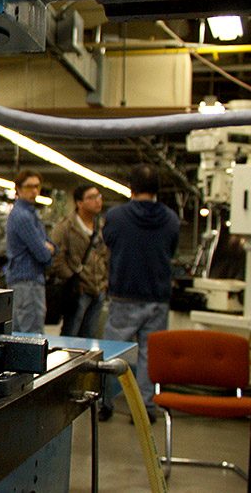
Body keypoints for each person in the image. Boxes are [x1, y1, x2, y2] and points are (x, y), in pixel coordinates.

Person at [99, 164, 179, 423]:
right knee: (149, 355)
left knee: (113, 353)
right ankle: (144, 408)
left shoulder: (116, 216)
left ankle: (106, 402)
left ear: (131, 187)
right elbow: (172, 249)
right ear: (158, 189)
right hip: (157, 295)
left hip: (124, 294)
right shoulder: (170, 219)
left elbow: (108, 242)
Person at [50, 184, 109, 338]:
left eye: (99, 196)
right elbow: (56, 257)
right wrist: (71, 280)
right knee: (71, 335)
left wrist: (105, 281)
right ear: (79, 203)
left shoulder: (102, 226)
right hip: (78, 292)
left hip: (98, 290)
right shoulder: (66, 227)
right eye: (91, 197)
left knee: (89, 336)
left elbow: (106, 255)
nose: (97, 201)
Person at [4, 170, 56, 334]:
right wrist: (48, 251)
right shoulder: (23, 216)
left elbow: (50, 245)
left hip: (25, 282)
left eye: (37, 186)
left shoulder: (30, 214)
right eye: (29, 187)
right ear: (18, 189)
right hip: (28, 283)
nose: (34, 191)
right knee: (31, 335)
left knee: (21, 333)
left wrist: (48, 248)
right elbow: (43, 254)